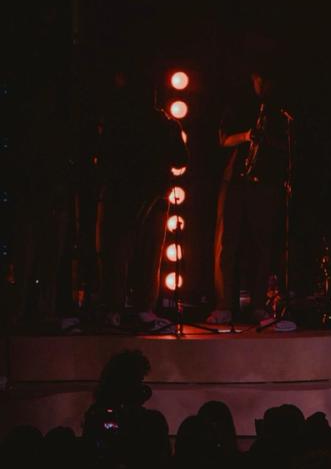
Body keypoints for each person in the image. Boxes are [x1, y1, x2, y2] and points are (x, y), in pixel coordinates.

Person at [97, 67, 187, 330]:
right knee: (148, 255)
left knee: (117, 255)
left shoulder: (119, 122)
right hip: (152, 196)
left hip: (124, 196)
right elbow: (181, 159)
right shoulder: (166, 123)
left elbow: (104, 157)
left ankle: (114, 309)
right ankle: (143, 309)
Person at [209, 69, 290, 324]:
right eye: (261, 79)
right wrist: (247, 136)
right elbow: (222, 139)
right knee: (228, 244)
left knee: (262, 246)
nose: (265, 84)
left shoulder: (279, 113)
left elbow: (286, 149)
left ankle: (258, 305)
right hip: (236, 180)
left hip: (264, 183)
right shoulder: (238, 105)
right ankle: (225, 305)